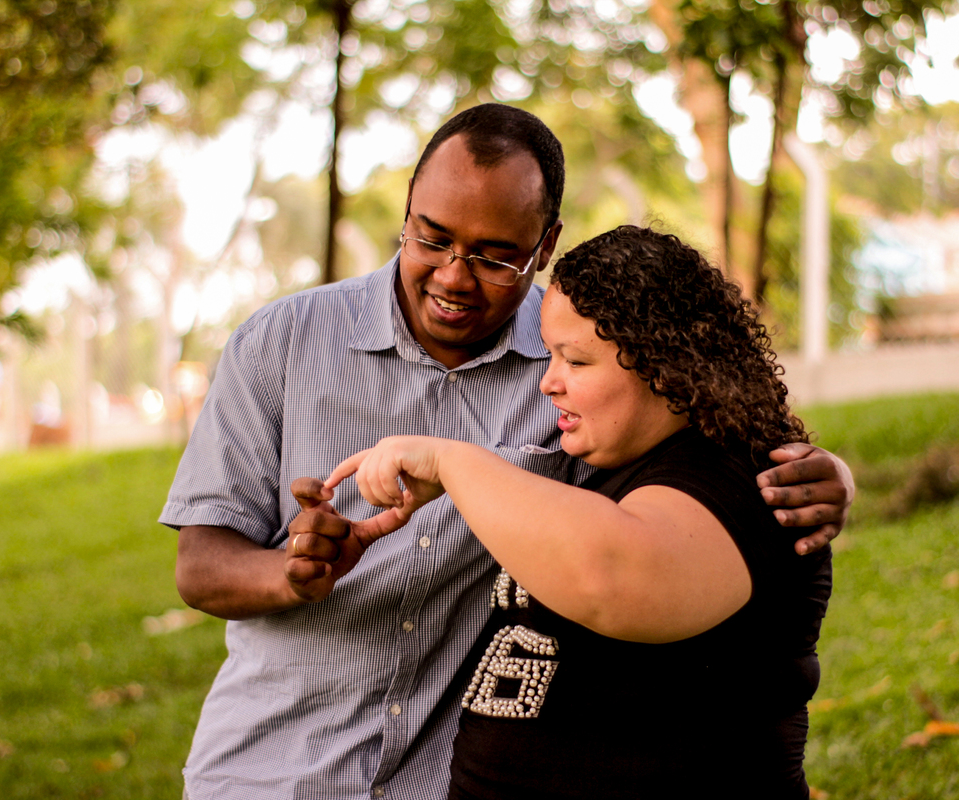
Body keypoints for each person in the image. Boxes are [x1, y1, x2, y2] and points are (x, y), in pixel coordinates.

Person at [161, 104, 853, 800]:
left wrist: (823, 473)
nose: (454, 277)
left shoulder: (583, 356)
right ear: (408, 211)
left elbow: (684, 473)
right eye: (432, 239)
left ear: (544, 245)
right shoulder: (279, 342)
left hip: (433, 784)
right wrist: (292, 574)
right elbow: (200, 565)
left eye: (494, 256)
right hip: (270, 774)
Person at [321, 225, 832, 798]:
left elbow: (616, 579)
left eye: (577, 361)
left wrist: (452, 462)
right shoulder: (609, 466)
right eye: (550, 355)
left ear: (666, 365)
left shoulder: (749, 479)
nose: (549, 382)